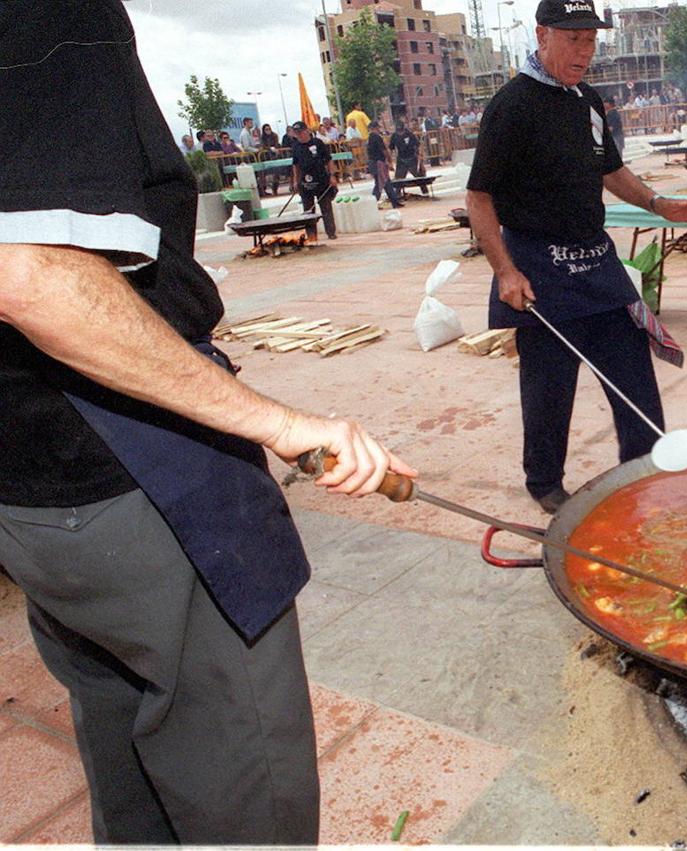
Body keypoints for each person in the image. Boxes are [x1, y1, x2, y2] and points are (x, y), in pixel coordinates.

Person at [0, 2, 413, 843]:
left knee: (124, 744)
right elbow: (29, 273)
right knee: (246, 791)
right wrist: (277, 420)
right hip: (132, 462)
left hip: (28, 488)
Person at [466, 0, 687, 514]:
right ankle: (544, 481)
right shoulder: (511, 106)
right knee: (549, 386)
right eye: (573, 38)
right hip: (537, 264)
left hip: (595, 261)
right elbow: (479, 197)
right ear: (543, 35)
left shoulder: (588, 101)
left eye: (591, 40)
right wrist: (505, 271)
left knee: (633, 374)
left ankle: (645, 468)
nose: (585, 50)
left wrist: (659, 203)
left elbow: (610, 171)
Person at [290, 121, 338, 239]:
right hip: (305, 182)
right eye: (296, 133)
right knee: (308, 210)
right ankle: (311, 235)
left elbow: (329, 160)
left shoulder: (318, 143)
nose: (299, 135)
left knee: (326, 207)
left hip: (321, 179)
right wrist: (296, 181)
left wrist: (332, 176)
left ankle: (331, 232)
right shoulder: (296, 146)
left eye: (300, 132)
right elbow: (295, 165)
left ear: (307, 130)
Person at [366, 121, 402, 209]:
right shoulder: (376, 137)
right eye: (378, 128)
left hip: (374, 162)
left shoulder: (369, 138)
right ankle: (372, 204)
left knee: (386, 183)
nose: (379, 129)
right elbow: (384, 150)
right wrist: (390, 161)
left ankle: (394, 201)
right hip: (378, 163)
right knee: (380, 183)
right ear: (374, 128)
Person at [389, 118, 429, 196]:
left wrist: (420, 158)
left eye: (401, 131)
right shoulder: (394, 136)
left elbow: (418, 145)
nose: (400, 133)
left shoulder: (410, 134)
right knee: (399, 180)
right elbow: (391, 148)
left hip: (412, 159)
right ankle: (397, 195)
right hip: (401, 160)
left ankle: (425, 193)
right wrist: (390, 161)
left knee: (419, 178)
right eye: (399, 131)